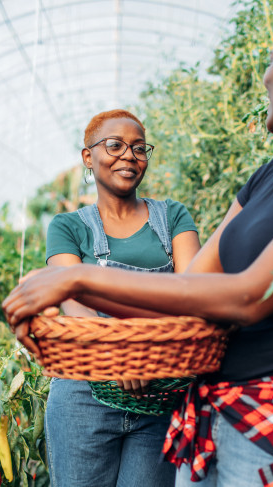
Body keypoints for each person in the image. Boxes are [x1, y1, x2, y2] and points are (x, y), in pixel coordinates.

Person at [5, 1, 273, 485]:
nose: (266, 78)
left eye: (272, 60)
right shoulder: (269, 176)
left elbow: (249, 295)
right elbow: (191, 291)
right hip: (209, 415)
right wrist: (64, 288)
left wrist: (78, 276)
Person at [41, 108, 201, 487]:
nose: (129, 156)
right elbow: (72, 301)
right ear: (88, 156)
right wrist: (120, 357)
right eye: (114, 145)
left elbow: (194, 292)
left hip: (159, 392)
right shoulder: (68, 226)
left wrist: (148, 357)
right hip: (82, 394)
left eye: (139, 148)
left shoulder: (172, 217)